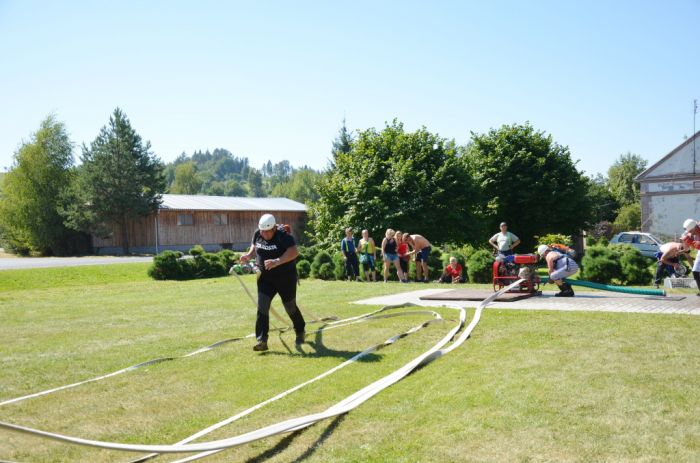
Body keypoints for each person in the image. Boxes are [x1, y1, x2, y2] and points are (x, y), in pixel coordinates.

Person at [239, 213, 306, 351]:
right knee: (262, 306)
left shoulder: (283, 236)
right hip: (266, 278)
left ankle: (300, 331)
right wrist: (248, 255)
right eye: (262, 230)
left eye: (266, 231)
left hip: (285, 278)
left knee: (290, 307)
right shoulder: (258, 233)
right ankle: (262, 340)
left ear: (274, 228)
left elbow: (294, 252)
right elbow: (254, 246)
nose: (263, 233)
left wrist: (277, 261)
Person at [681, 218, 700, 296]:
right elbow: (687, 247)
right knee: (695, 271)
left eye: (692, 231)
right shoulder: (689, 232)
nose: (691, 234)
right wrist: (687, 243)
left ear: (695, 227)